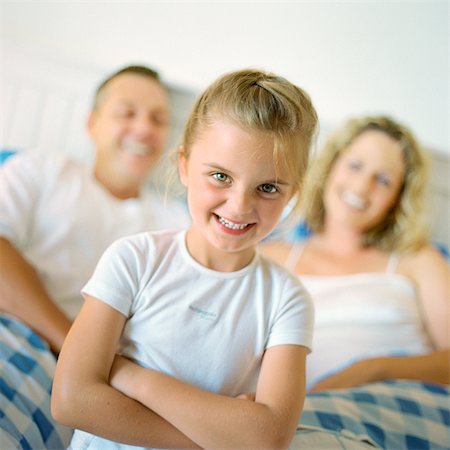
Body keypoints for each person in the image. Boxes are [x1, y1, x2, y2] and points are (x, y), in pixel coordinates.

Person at [51, 68, 318, 449]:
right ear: (184, 165)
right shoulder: (134, 259)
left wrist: (131, 378)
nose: (240, 206)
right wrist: (218, 438)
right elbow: (71, 400)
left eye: (268, 187)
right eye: (221, 177)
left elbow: (268, 438)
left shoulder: (287, 299)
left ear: (293, 192)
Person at [0, 65, 189, 354]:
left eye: (159, 119)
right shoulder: (40, 169)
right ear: (92, 123)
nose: (144, 129)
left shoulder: (176, 222)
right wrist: (73, 347)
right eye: (127, 113)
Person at [262, 115, 450, 393]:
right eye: (355, 166)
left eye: (383, 180)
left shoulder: (417, 258)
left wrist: (373, 370)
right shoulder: (269, 257)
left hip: (398, 410)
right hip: (300, 417)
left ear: (398, 198)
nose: (362, 187)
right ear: (330, 167)